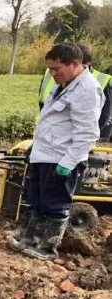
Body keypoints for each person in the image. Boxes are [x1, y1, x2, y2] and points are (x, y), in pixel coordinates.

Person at [9, 44, 103, 260]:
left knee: (54, 204)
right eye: (50, 69)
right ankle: (30, 240)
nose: (52, 74)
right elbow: (51, 120)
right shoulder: (62, 83)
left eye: (56, 69)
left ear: (75, 64)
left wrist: (68, 163)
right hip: (44, 154)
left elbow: (87, 133)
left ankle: (47, 248)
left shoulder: (87, 90)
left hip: (62, 158)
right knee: (36, 200)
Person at [38, 43, 112, 141]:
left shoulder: (97, 82)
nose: (53, 73)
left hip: (77, 142)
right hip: (46, 138)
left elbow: (103, 117)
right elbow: (43, 104)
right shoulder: (54, 74)